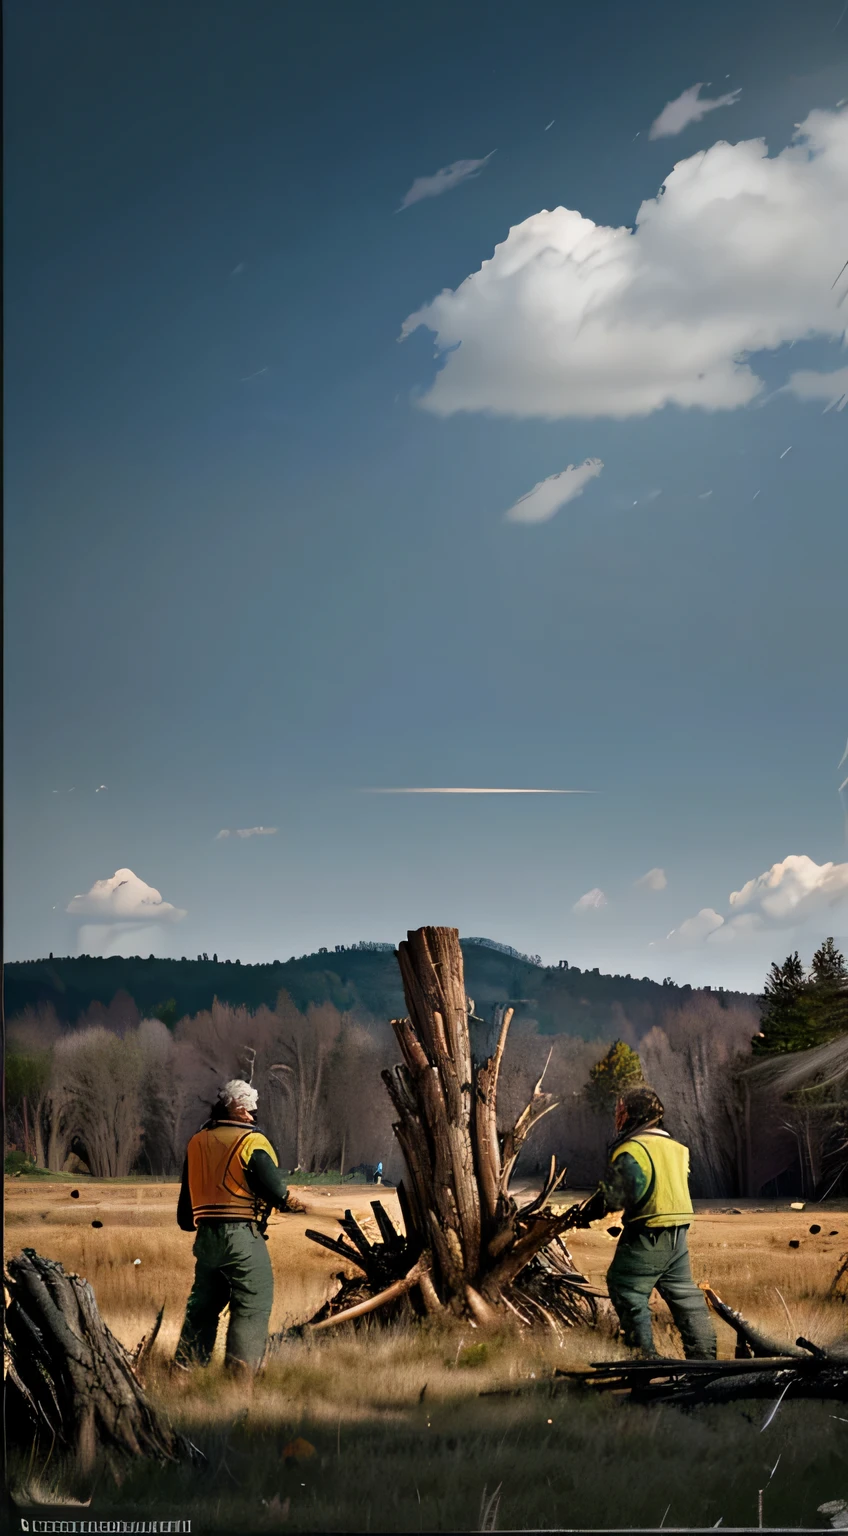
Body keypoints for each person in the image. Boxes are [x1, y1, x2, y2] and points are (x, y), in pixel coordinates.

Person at [568, 1085, 716, 1360]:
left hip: (648, 1231)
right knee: (685, 1295)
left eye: (621, 1111)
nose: (618, 1118)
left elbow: (613, 1198)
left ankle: (643, 1358)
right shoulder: (677, 1148)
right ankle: (705, 1359)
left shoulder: (633, 1150)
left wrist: (584, 1214)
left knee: (626, 1285)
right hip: (678, 1235)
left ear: (634, 1114)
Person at [173, 1078, 307, 1373]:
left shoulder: (196, 1142)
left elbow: (185, 1212)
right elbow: (275, 1190)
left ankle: (185, 1372)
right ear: (241, 1109)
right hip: (242, 1237)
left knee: (203, 1307)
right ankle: (240, 1374)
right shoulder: (251, 1142)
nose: (253, 1113)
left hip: (206, 1239)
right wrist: (291, 1202)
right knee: (252, 1302)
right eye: (250, 1108)